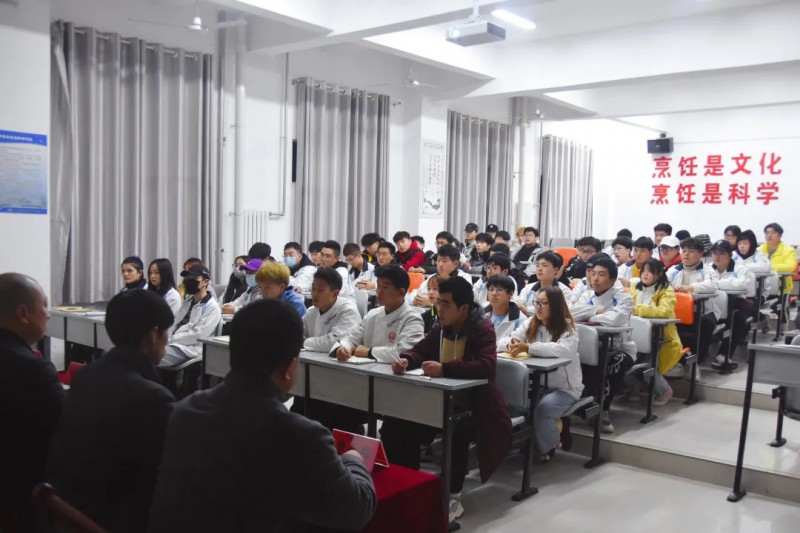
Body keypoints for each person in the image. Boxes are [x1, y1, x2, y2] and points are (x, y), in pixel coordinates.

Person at [148, 300, 377, 532]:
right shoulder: (300, 436)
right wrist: (354, 461)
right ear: (289, 368)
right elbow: (355, 509)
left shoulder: (185, 411)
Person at [382, 277, 512, 523]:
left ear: (463, 308)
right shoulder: (442, 325)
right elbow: (422, 348)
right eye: (438, 302)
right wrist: (407, 359)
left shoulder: (482, 328)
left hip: (477, 405)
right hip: (439, 399)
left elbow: (486, 367)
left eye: (445, 304)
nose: (438, 308)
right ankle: (406, 483)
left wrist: (445, 369)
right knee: (397, 422)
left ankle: (453, 496)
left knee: (458, 431)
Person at [46, 290, 174, 533]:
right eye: (166, 332)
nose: (168, 340)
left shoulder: (85, 376)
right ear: (154, 334)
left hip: (68, 512)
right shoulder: (154, 398)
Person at [0, 274, 64, 531]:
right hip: (23, 493)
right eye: (44, 306)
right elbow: (63, 429)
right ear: (23, 313)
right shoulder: (32, 370)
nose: (48, 315)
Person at [498, 286, 582, 461]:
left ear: (556, 306)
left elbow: (562, 350)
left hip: (564, 388)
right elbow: (506, 340)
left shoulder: (568, 328)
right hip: (535, 384)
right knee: (515, 405)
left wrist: (528, 348)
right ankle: (530, 441)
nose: (538, 307)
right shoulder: (530, 323)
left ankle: (549, 445)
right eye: (536, 302)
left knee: (544, 409)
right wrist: (511, 345)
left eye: (544, 303)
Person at [570, 254, 636, 433]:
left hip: (620, 349)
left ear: (612, 279)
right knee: (576, 362)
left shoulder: (624, 298)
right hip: (588, 348)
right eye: (593, 274)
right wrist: (596, 312)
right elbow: (571, 314)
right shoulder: (586, 295)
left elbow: (615, 320)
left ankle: (603, 411)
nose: (595, 279)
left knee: (606, 365)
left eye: (601, 274)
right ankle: (586, 406)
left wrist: (589, 315)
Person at [335, 265, 424, 364]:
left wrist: (369, 352)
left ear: (401, 292)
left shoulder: (412, 319)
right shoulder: (372, 314)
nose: (379, 291)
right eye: (378, 285)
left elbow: (406, 352)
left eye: (385, 287)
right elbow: (352, 337)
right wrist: (344, 348)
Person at [625, 259, 682, 406]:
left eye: (650, 271)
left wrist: (638, 310)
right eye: (643, 271)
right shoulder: (635, 287)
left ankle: (664, 391)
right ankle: (635, 386)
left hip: (660, 338)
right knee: (623, 362)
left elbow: (665, 311)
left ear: (659, 274)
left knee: (647, 367)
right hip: (634, 336)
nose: (645, 274)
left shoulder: (666, 290)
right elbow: (626, 304)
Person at [666, 238, 719, 364]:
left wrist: (690, 288)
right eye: (684, 251)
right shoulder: (674, 270)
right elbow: (663, 285)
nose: (686, 254)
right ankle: (675, 360)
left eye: (691, 251)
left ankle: (696, 363)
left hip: (703, 311)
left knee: (705, 325)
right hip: (677, 311)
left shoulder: (708, 270)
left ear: (700, 253)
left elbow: (713, 286)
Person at [159, 264, 222, 368]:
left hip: (190, 348)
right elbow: (175, 324)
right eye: (188, 278)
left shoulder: (212, 308)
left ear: (205, 282)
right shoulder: (187, 302)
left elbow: (198, 336)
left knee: (151, 356)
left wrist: (171, 339)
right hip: (173, 342)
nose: (189, 281)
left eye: (194, 279)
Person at [705, 240, 753, 365]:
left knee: (738, 317)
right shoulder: (707, 268)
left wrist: (715, 284)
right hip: (713, 302)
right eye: (714, 253)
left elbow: (742, 285)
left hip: (736, 302)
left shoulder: (740, 268)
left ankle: (724, 354)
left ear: (730, 255)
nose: (717, 257)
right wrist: (725, 284)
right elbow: (703, 283)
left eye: (721, 253)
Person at [302, 268, 361, 352]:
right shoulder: (311, 312)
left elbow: (336, 342)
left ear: (335, 294)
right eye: (313, 288)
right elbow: (297, 334)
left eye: (320, 290)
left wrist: (303, 342)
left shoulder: (348, 311)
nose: (314, 294)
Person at [407, 244, 472, 307]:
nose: (440, 265)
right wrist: (416, 300)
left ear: (455, 264)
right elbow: (414, 294)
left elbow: (462, 301)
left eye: (444, 261)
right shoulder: (432, 277)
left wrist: (433, 303)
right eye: (438, 260)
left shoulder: (463, 278)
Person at [758, 223, 795, 324]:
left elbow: (790, 267)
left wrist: (767, 267)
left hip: (781, 288)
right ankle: (763, 322)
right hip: (762, 288)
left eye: (773, 233)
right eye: (767, 233)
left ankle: (783, 329)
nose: (769, 235)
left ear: (780, 235)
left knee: (782, 310)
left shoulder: (789, 250)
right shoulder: (759, 250)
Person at [516, 251, 572, 316]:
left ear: (556, 270)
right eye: (537, 265)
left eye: (544, 265)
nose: (539, 269)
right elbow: (519, 307)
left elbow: (561, 312)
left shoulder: (563, 290)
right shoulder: (528, 288)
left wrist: (527, 310)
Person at [483, 275, 523, 344]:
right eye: (491, 289)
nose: (494, 293)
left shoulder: (520, 320)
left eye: (499, 290)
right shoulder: (480, 314)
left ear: (510, 294)